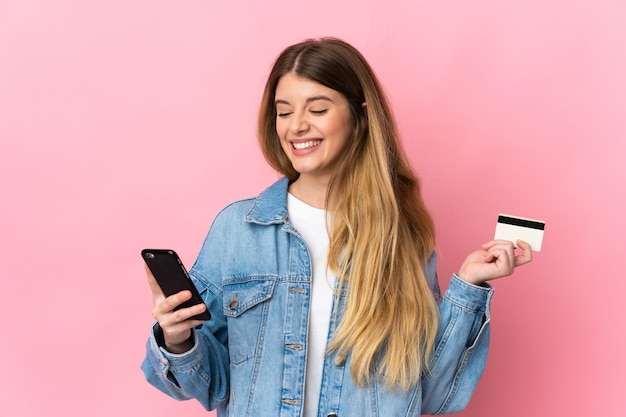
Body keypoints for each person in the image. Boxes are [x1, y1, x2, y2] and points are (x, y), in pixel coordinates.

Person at [141, 37, 533, 417]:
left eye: (317, 108)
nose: (296, 126)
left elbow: (428, 394)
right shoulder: (238, 230)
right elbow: (211, 384)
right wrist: (178, 339)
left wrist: (468, 286)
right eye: (284, 111)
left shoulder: (401, 237)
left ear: (359, 115)